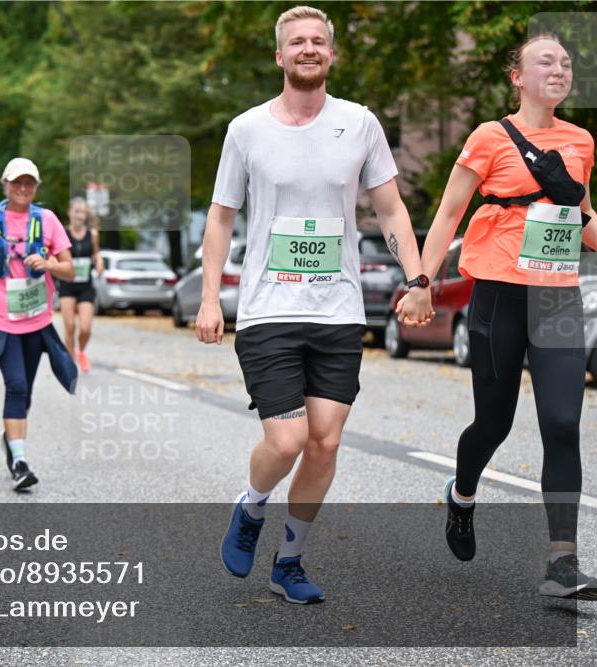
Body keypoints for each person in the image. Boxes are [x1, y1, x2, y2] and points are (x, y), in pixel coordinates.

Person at [199, 6, 432, 604]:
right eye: (296, 42)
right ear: (279, 56)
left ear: (331, 55)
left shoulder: (360, 124)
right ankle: (251, 508)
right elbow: (222, 216)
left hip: (338, 310)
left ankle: (290, 562)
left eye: (318, 41)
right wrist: (209, 299)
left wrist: (419, 276)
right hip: (268, 310)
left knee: (325, 441)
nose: (308, 48)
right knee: (287, 441)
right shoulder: (247, 129)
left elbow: (389, 209)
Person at [418, 34, 597, 598]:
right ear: (517, 76)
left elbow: (583, 219)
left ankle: (561, 563)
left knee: (564, 425)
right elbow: (449, 213)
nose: (560, 69)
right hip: (498, 295)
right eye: (546, 60)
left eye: (567, 63)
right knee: (493, 424)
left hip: (559, 298)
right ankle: (462, 493)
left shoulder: (581, 140)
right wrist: (421, 283)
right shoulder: (489, 137)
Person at [0, 157, 78, 491]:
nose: (23, 189)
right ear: (5, 184)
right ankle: (21, 464)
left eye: (29, 183)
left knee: (23, 390)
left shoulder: (48, 220)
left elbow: (71, 269)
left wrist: (50, 263)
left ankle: (11, 440)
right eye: (16, 183)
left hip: (36, 318)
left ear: (36, 187)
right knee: (16, 386)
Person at [58, 197, 104, 372]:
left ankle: (81, 351)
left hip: (85, 285)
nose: (79, 215)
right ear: (70, 213)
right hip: (67, 284)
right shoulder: (62, 233)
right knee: (70, 326)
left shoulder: (92, 234)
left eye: (83, 212)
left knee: (85, 328)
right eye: (76, 211)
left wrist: (99, 261)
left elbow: (96, 253)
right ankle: (70, 360)